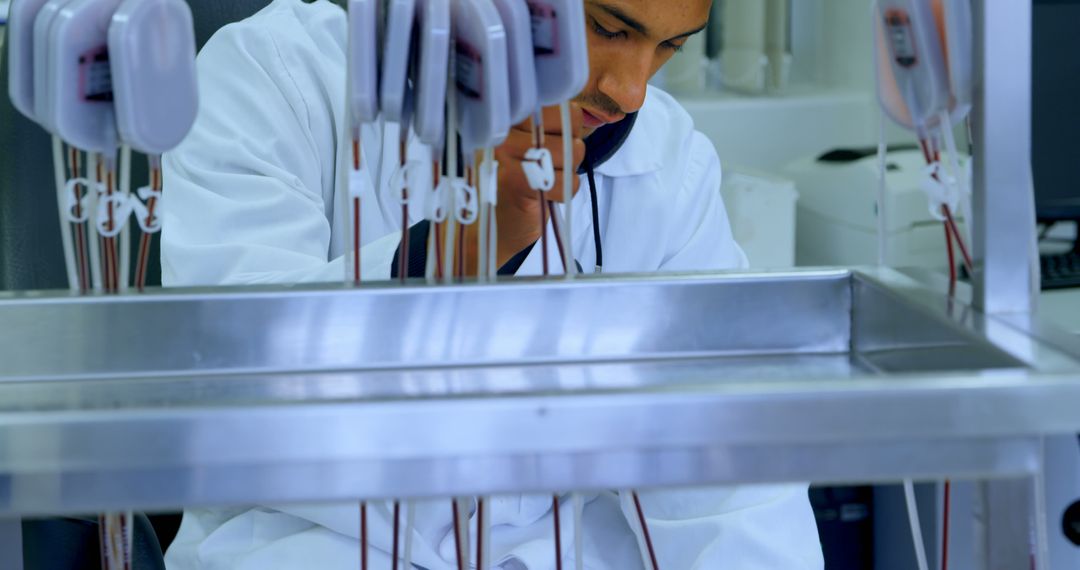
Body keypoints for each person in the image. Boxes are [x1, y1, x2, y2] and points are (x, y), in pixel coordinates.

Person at [161, 0, 824, 568]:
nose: (631, 92)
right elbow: (228, 376)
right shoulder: (275, 76)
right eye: (609, 29)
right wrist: (456, 252)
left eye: (667, 47)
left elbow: (728, 475)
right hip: (309, 547)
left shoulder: (669, 161)